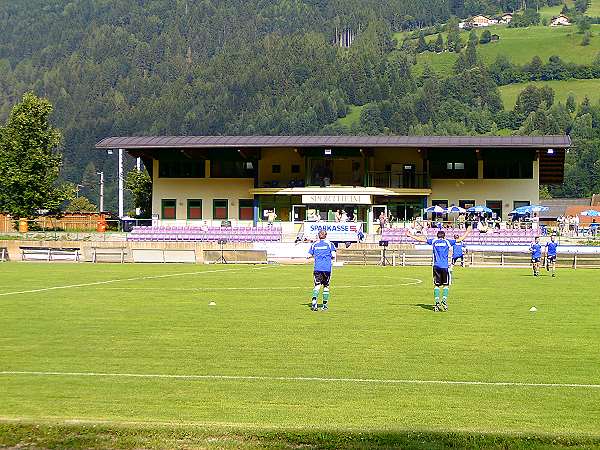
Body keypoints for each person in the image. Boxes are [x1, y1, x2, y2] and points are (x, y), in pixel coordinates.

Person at [407, 227, 471, 312]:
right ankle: (444, 300)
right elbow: (460, 239)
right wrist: (467, 231)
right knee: (446, 285)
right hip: (444, 266)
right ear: (444, 236)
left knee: (436, 285)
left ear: (437, 236)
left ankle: (437, 302)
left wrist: (410, 235)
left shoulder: (434, 241)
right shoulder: (448, 242)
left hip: (436, 266)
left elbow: (421, 240)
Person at [307, 230, 337, 311]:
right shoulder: (330, 244)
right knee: (326, 286)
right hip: (327, 269)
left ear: (318, 236)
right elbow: (334, 255)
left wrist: (316, 255)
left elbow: (308, 255)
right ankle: (324, 305)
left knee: (317, 286)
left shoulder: (314, 244)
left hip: (317, 268)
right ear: (326, 235)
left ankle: (314, 302)